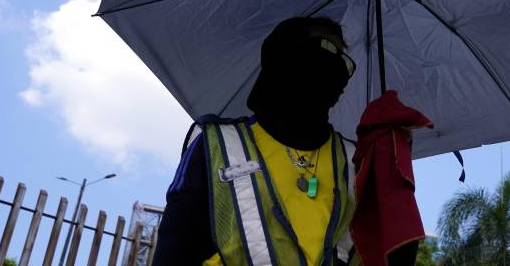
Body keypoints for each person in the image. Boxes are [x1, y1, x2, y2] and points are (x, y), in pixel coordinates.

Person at [152, 16, 361, 265]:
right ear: (284, 54)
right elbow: (175, 247)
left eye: (344, 61)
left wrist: (395, 164)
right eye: (326, 48)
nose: (336, 65)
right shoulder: (217, 144)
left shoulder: (355, 160)